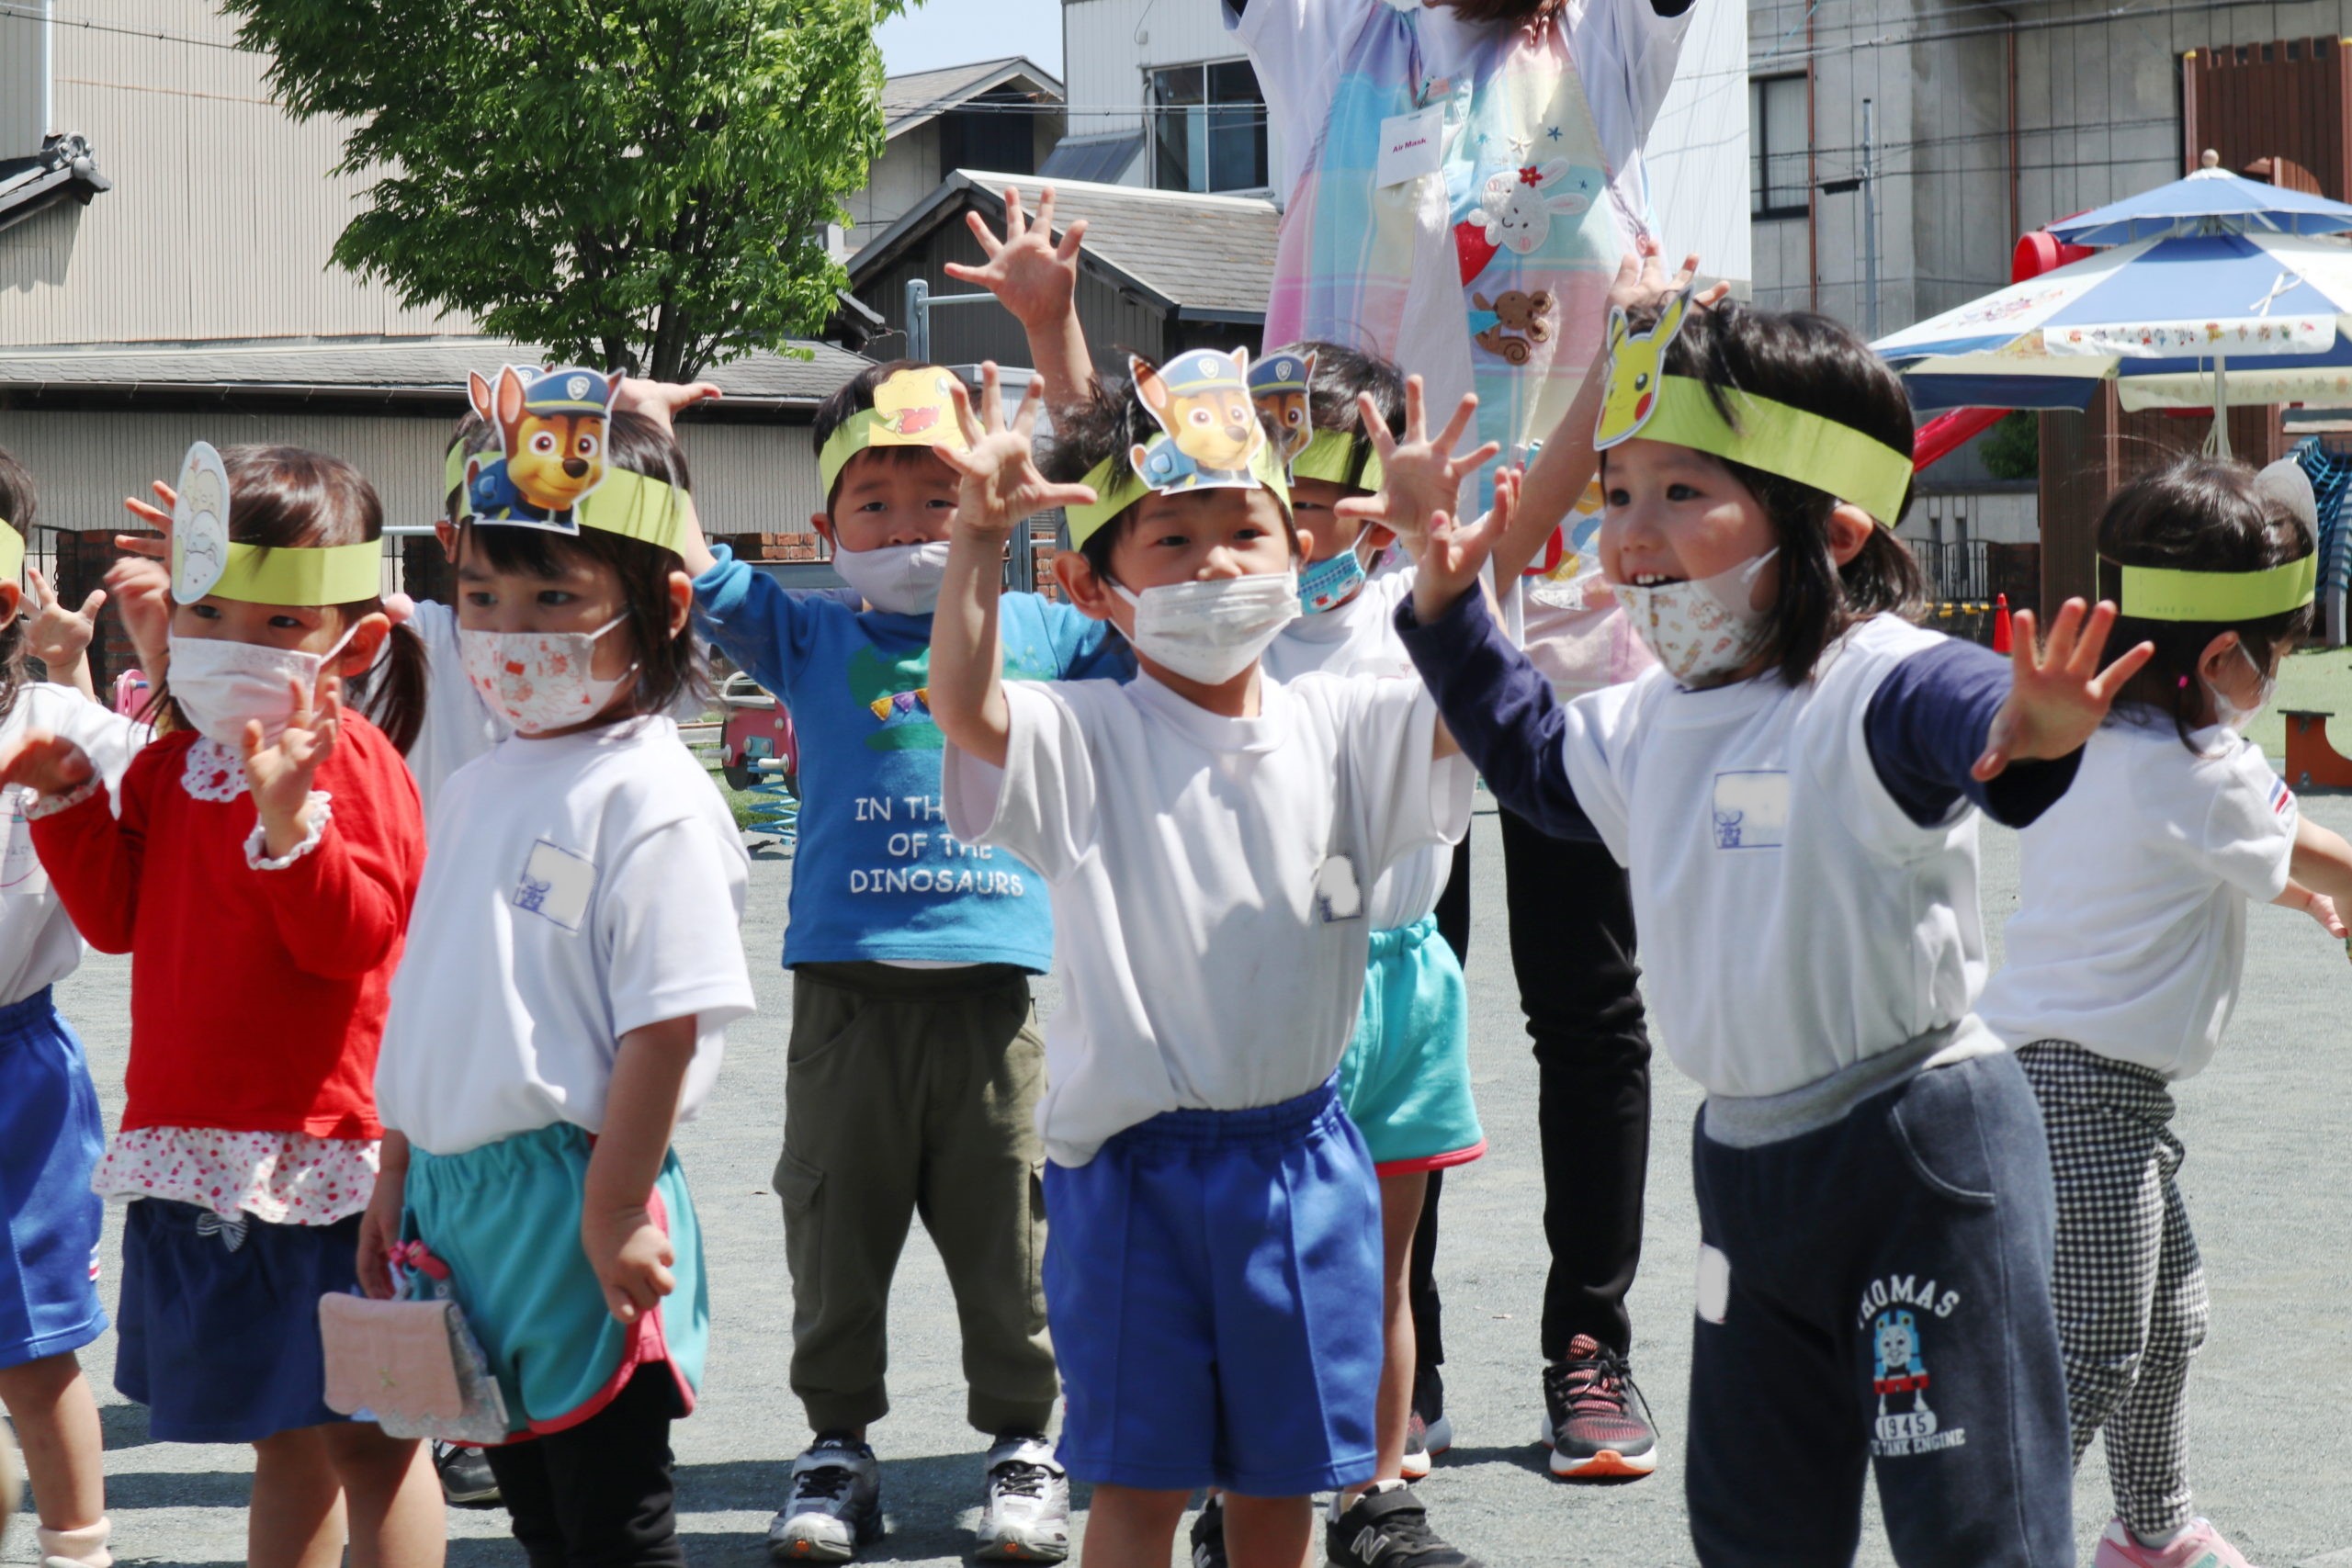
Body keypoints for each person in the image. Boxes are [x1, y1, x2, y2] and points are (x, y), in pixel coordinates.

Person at [1393, 289, 2154, 1565]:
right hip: (1747, 1165)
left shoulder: (1870, 681)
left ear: (1832, 528)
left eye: (1682, 492)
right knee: (1753, 1523)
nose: (1631, 534)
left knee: (1975, 1524)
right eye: (1615, 493)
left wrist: (2027, 733)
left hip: (1917, 1154)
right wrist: (1450, 605)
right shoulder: (1649, 718)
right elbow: (1527, 759)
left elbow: (1963, 719)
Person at [1231, 0, 1704, 1457]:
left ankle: (1590, 1340)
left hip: (1571, 599)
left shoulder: (1605, 45)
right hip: (1359, 612)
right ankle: (1400, 1355)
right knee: (1367, 982)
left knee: (1588, 993)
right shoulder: (1328, 34)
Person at [931, 362, 1474, 1568]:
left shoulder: (1346, 721)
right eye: (1172, 539)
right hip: (1133, 1175)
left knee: (1281, 1487)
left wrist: (1440, 566)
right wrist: (973, 539)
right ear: (1091, 584)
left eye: (1245, 530)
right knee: (1137, 1485)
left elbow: (1475, 705)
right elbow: (965, 709)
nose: (1218, 566)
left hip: (1302, 1158)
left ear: (1304, 548)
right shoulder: (1084, 732)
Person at [674, 359, 1130, 1566]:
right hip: (846, 1000)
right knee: (834, 1235)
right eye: (872, 504)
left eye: (938, 496)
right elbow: (695, 567)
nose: (907, 525)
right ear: (825, 527)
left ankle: (1023, 1444)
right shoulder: (811, 633)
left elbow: (1131, 556)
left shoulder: (1045, 632)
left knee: (1014, 1245)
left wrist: (1062, 379)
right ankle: (837, 1445)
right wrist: (645, 443)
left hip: (994, 1004)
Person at [2, 443, 441, 1568]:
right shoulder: (169, 765)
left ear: (356, 643)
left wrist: (291, 829)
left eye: (280, 623)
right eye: (210, 615)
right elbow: (119, 921)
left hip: (330, 1154)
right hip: (201, 1145)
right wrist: (70, 802)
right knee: (280, 1432)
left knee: (373, 1441)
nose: (236, 644)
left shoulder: (357, 766)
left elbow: (355, 941)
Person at [362, 402, 753, 1568]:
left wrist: (615, 1208)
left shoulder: (655, 797)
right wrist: (398, 1168)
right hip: (453, 1201)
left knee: (612, 1519)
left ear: (662, 607)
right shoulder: (479, 783)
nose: (507, 633)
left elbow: (665, 1027)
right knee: (535, 1510)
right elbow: (429, 993)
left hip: (575, 1193)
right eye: (482, 597)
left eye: (554, 598)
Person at [1975, 456, 2352, 1568]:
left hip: (2059, 1083)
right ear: (2225, 657)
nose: (2276, 676)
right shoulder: (2205, 768)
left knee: (2167, 1317)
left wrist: (2304, 898)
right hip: (2086, 1098)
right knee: (2096, 1343)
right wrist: (2326, 890)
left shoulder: (2095, 739)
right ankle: (1991, 1539)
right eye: (2278, 655)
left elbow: (2213, 860)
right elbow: (2306, 850)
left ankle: (2151, 1527)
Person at [0, 449, 142, 1568]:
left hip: (17, 1078)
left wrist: (148, 651)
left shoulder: (51, 720)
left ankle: (77, 1552)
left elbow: (172, 793)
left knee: (35, 1345)